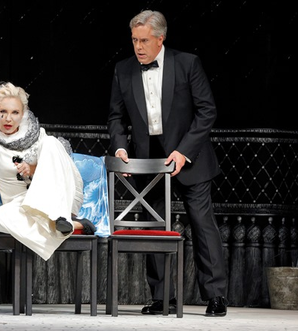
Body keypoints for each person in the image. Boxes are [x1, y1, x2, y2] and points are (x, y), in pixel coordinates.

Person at [107, 10, 228, 317]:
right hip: (148, 162)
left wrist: (184, 151)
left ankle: (215, 296)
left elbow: (206, 112)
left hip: (189, 159)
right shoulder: (124, 69)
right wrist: (121, 148)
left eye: (144, 40)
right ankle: (163, 298)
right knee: (154, 228)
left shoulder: (187, 63)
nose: (138, 46)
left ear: (161, 38)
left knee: (202, 225)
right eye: (134, 40)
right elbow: (116, 117)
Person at [0, 81, 96, 261]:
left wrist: (32, 169)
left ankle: (59, 217)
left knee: (53, 143)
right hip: (20, 207)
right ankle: (73, 225)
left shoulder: (39, 134)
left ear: (23, 115)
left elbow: (55, 169)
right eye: (3, 112)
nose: (8, 118)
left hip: (51, 199)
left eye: (15, 112)